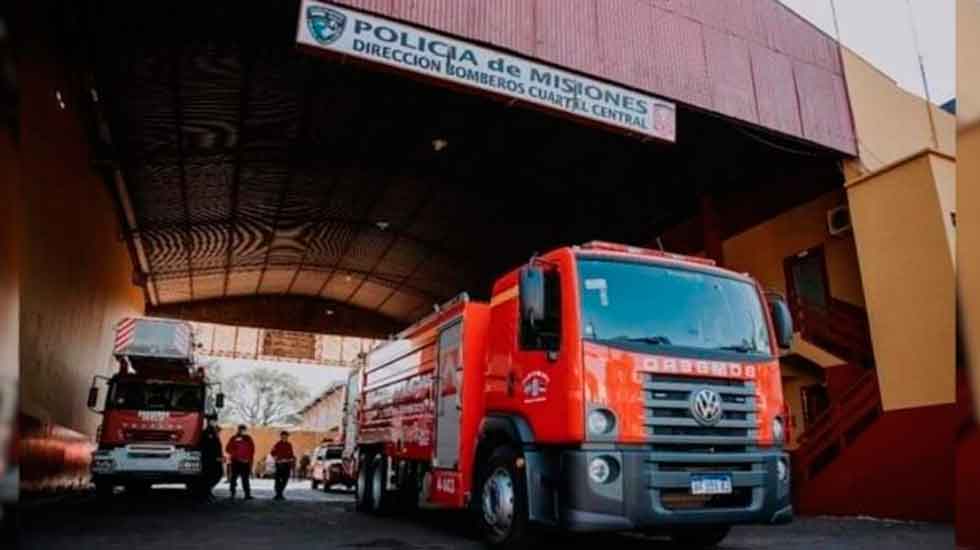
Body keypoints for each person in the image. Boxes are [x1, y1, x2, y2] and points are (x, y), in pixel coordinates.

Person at [225, 424, 255, 500]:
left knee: (245, 479)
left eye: (244, 430)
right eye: (241, 430)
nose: (243, 431)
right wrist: (236, 456)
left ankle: (247, 495)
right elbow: (228, 449)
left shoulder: (248, 438)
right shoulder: (234, 438)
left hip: (246, 462)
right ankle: (232, 494)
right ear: (238, 430)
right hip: (236, 462)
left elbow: (252, 450)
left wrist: (249, 459)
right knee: (233, 478)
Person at [197, 419, 224, 501]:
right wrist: (215, 457)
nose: (219, 432)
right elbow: (206, 447)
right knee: (209, 476)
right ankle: (205, 493)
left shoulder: (214, 435)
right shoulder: (207, 433)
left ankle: (207, 492)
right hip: (209, 459)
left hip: (216, 459)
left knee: (218, 474)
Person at [269, 431, 295, 500]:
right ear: (281, 436)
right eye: (283, 436)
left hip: (287, 464)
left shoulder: (289, 445)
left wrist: (291, 459)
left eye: (286, 436)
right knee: (277, 480)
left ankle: (280, 493)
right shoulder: (278, 444)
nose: (285, 438)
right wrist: (276, 458)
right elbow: (272, 452)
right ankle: (278, 494)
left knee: (285, 480)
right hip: (279, 464)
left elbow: (291, 454)